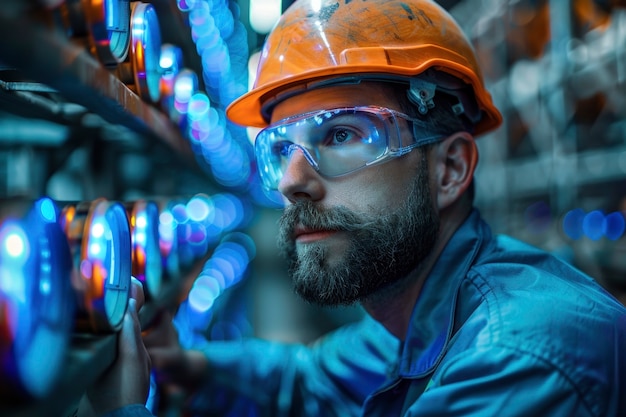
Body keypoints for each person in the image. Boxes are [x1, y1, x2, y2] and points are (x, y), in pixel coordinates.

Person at [81, 0, 626, 416]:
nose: (294, 181)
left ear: (450, 170)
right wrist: (184, 368)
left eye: (342, 134)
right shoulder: (416, 316)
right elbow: (306, 379)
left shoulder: (515, 360)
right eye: (279, 149)